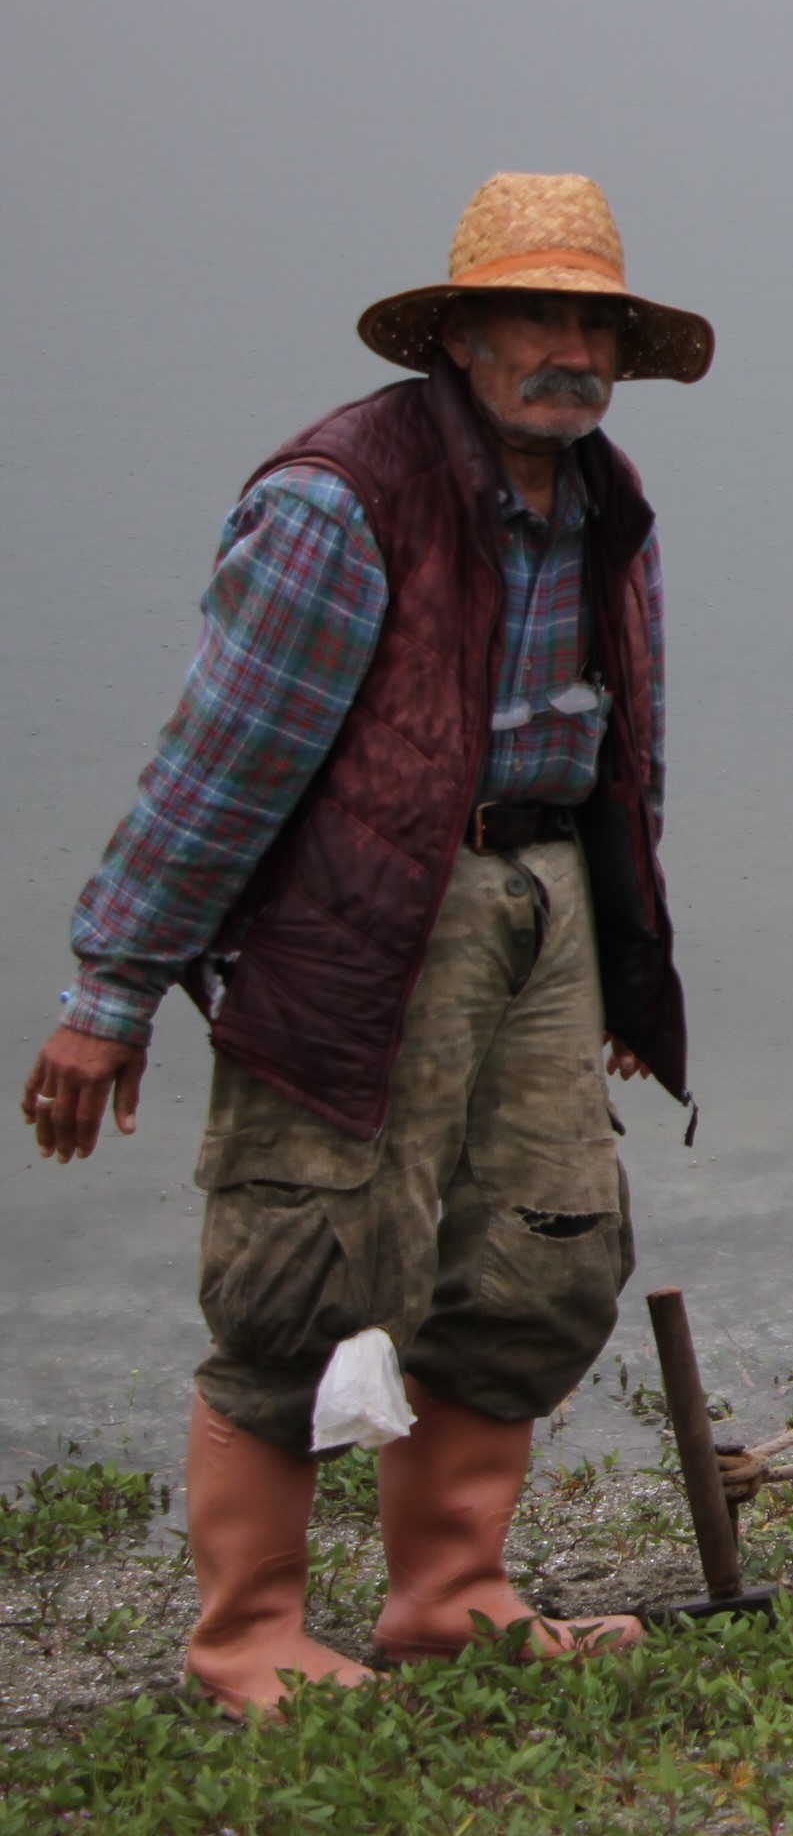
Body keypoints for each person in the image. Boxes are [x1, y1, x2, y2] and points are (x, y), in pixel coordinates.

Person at [19, 174, 711, 1716]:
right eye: (535, 313)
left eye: (594, 318)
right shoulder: (341, 498)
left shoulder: (606, 493)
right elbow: (225, 758)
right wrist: (109, 993)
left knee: (546, 1248)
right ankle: (245, 1634)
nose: (569, 346)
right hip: (359, 913)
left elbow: (623, 746)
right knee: (310, 1258)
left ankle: (448, 1600)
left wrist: (623, 960)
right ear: (457, 335)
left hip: (540, 902)